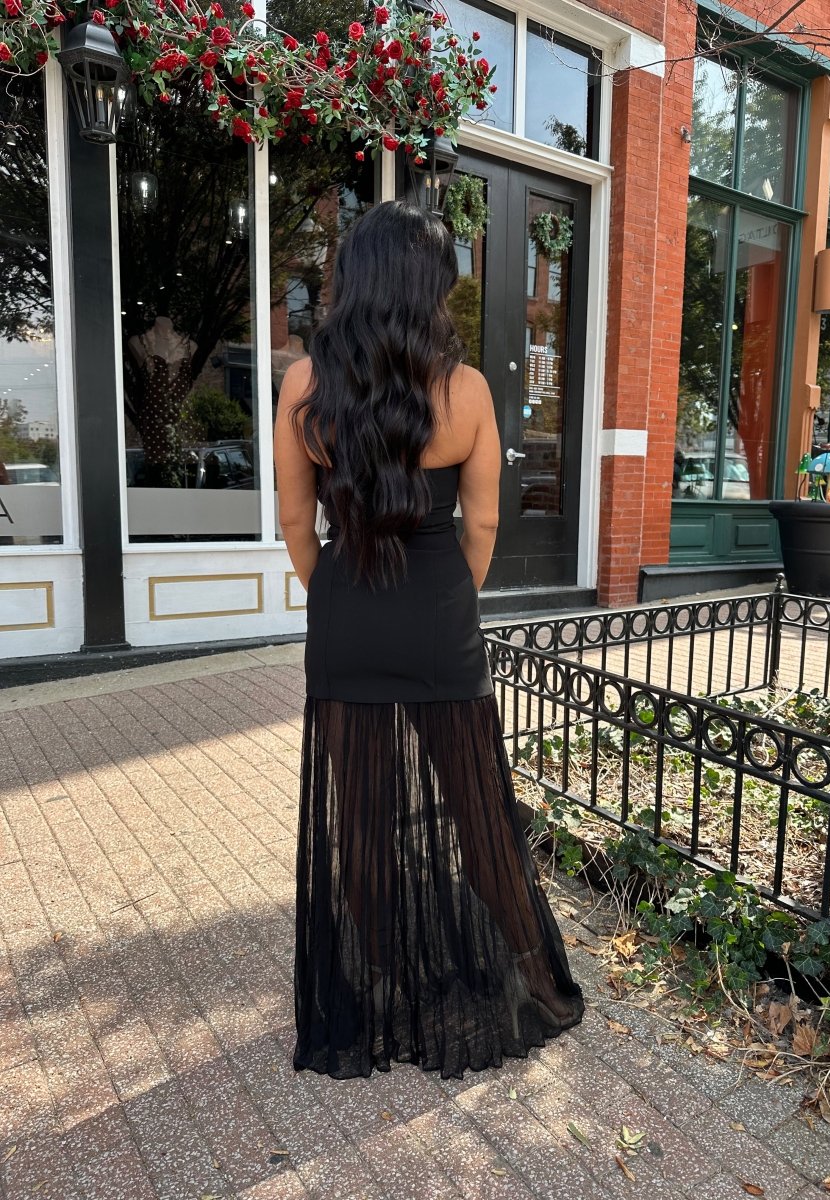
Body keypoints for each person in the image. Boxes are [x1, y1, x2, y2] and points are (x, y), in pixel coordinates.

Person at [274, 201, 583, 1081]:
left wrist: (342, 601)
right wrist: (444, 604)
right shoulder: (468, 390)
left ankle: (377, 982)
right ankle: (532, 973)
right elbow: (482, 526)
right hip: (441, 617)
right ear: (429, 287)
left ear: (356, 276)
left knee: (362, 817)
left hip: (347, 615)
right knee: (480, 810)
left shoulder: (305, 384)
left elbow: (296, 524)